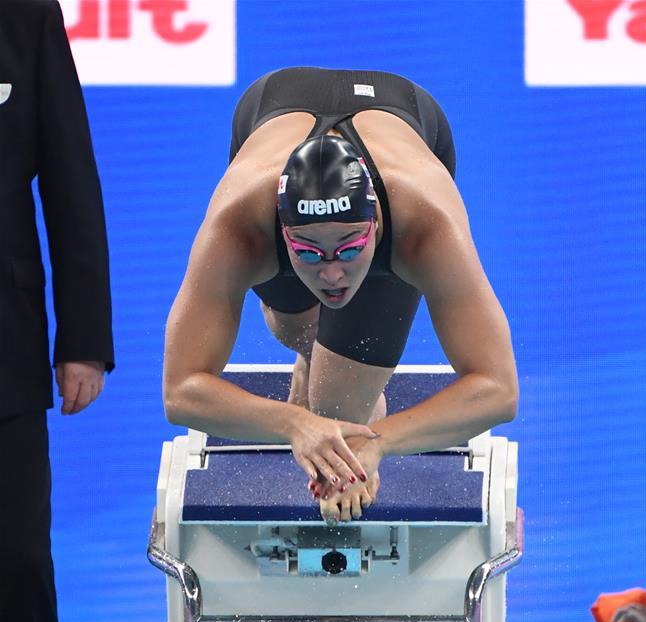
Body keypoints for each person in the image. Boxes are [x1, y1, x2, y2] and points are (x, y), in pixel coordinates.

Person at [164, 67, 517, 524]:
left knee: (337, 410)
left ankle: (339, 378)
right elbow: (180, 392)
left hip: (404, 113)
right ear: (280, 231)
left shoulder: (423, 227)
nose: (332, 272)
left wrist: (377, 439)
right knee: (291, 327)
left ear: (376, 226)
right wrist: (295, 425)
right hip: (270, 104)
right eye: (308, 253)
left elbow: (498, 390)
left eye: (350, 247)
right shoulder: (239, 229)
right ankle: (315, 351)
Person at [0, 0, 114, 622]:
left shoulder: (25, 18)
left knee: (15, 563)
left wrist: (84, 339)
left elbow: (71, 182)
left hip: (3, 355)